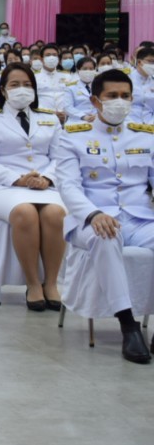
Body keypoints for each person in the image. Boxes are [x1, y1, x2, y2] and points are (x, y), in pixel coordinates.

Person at [52, 68, 153, 363]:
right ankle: (128, 325)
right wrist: (93, 214)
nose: (119, 101)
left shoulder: (145, 136)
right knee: (105, 237)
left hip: (140, 218)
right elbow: (68, 186)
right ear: (96, 101)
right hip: (91, 219)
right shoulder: (72, 136)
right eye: (112, 96)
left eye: (125, 96)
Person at [0, 64, 66, 311]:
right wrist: (19, 179)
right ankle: (33, 283)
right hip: (2, 187)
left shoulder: (49, 119)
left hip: (45, 185)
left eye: (27, 84)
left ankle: (52, 283)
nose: (21, 90)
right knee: (24, 212)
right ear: (3, 90)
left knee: (55, 214)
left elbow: (61, 157)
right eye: (14, 85)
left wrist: (46, 178)